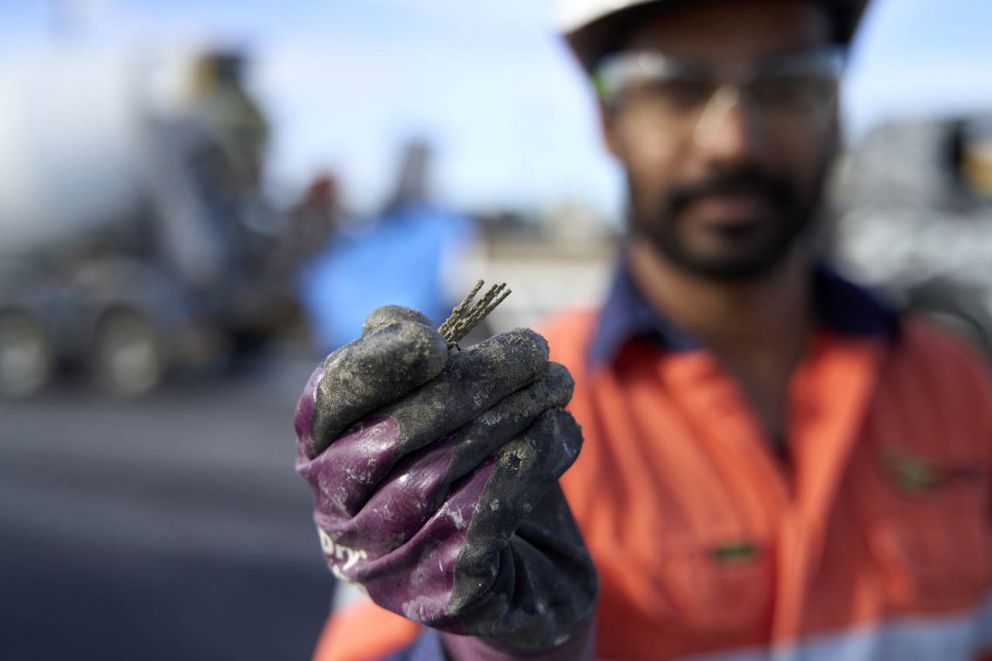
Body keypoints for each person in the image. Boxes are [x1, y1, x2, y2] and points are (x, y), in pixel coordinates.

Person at [294, 1, 992, 659]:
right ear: (608, 118)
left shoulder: (957, 386)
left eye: (786, 85)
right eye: (678, 88)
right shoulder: (505, 422)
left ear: (836, 108)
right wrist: (480, 645)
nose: (733, 141)